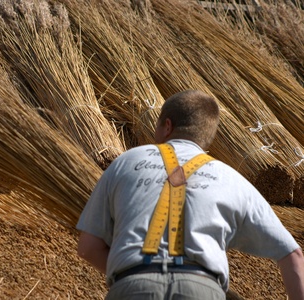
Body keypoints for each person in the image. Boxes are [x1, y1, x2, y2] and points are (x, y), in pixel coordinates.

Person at [76, 90, 304, 299]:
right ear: (208, 136)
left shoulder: (127, 161)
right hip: (203, 289)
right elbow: (292, 255)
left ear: (167, 126)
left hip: (133, 286)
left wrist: (133, 275)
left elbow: (88, 247)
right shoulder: (232, 179)